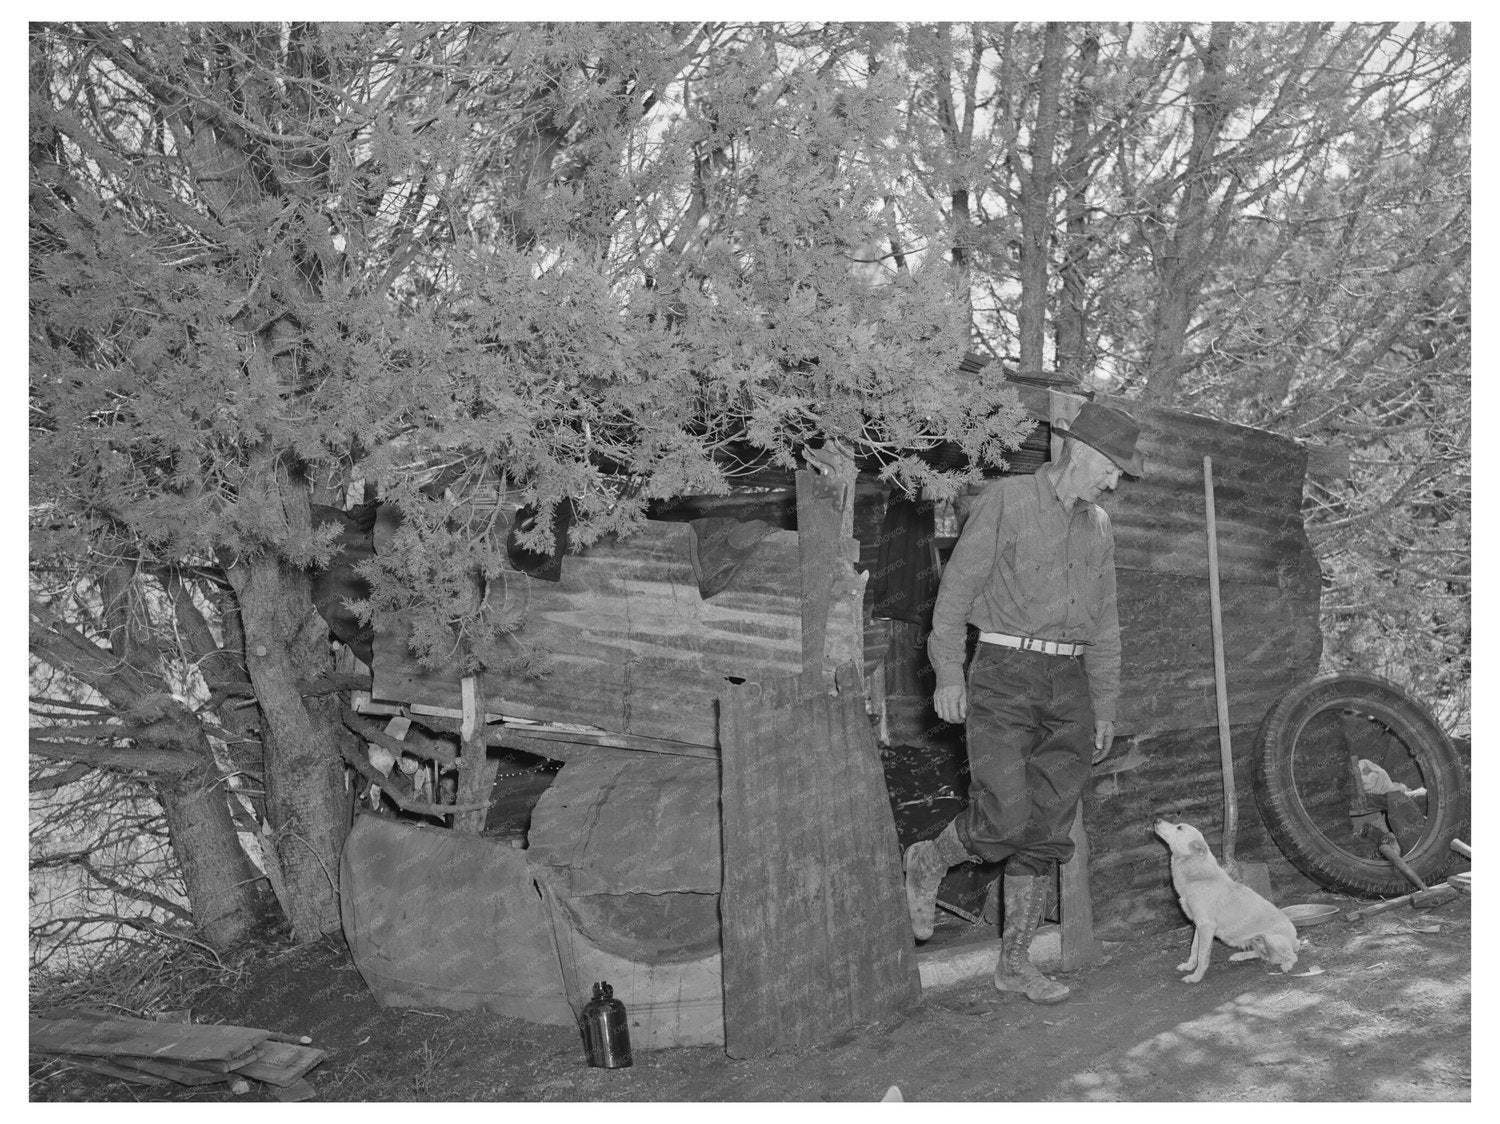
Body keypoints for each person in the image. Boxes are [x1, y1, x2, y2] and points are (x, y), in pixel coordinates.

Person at [904, 401, 1144, 1004]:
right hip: (1005, 672)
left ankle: (1015, 965)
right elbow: (955, 594)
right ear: (1081, 451)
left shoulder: (1100, 527)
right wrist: (949, 674)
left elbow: (1108, 625)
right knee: (1004, 816)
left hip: (1071, 683)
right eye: (1112, 469)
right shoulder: (1007, 501)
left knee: (1045, 829)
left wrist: (1105, 705)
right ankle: (930, 861)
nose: (1114, 483)